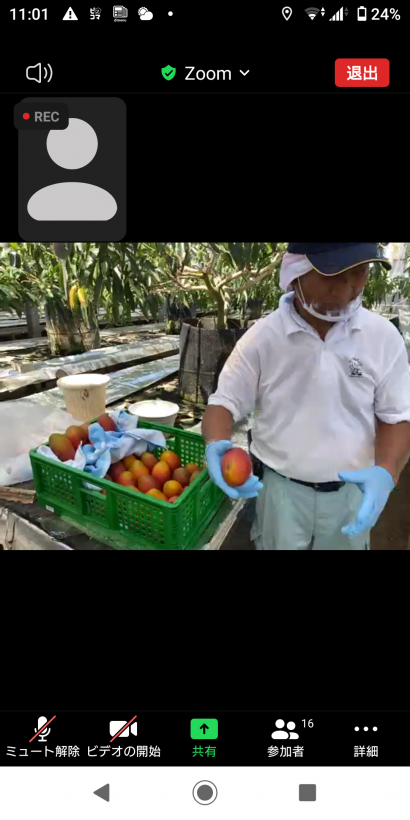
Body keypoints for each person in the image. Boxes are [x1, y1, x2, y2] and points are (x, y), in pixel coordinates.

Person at [201, 242, 410, 550]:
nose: (349, 287)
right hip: (281, 494)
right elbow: (223, 402)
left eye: (361, 271)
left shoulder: (382, 338)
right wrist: (215, 443)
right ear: (297, 272)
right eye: (335, 275)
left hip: (350, 493)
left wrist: (386, 473)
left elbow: (397, 416)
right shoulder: (263, 338)